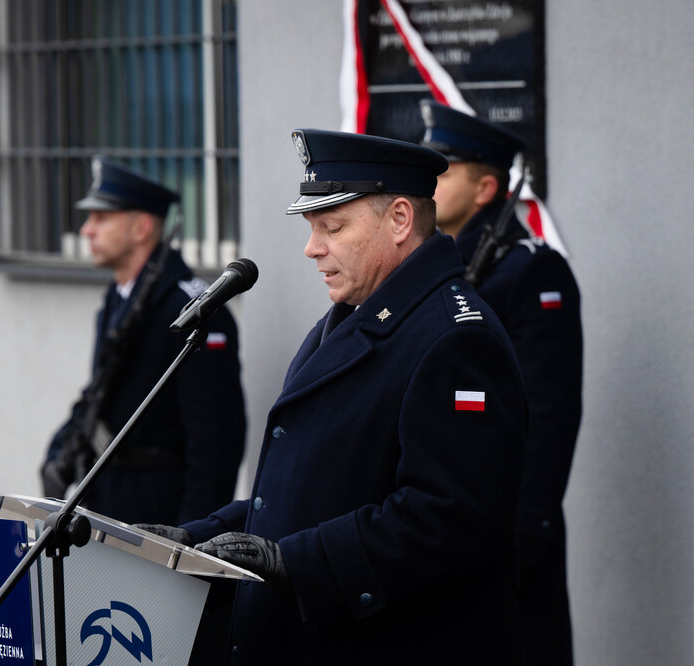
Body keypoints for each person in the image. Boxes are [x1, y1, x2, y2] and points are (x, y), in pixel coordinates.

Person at [141, 129, 528, 663]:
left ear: (399, 219)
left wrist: (297, 563)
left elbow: (447, 520)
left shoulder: (456, 339)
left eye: (333, 227)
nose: (312, 247)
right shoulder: (354, 317)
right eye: (311, 228)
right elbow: (308, 492)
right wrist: (196, 541)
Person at [420, 99, 583, 665]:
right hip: (444, 522)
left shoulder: (531, 269)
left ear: (486, 188)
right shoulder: (436, 269)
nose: (428, 184)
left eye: (444, 172)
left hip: (508, 526)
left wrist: (526, 537)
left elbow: (548, 415)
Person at [41, 157, 246, 526]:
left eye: (101, 218)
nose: (87, 230)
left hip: (159, 512)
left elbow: (216, 444)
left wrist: (192, 535)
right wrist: (60, 451)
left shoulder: (191, 309)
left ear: (142, 228)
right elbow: (100, 391)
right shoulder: (121, 295)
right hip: (110, 498)